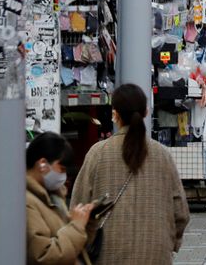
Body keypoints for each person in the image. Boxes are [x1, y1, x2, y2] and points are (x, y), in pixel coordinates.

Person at [71, 85, 190, 264]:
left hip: (108, 253)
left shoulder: (98, 153)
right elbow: (181, 212)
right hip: (155, 253)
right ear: (146, 112)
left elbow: (78, 206)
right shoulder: (162, 155)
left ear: (115, 114)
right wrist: (170, 242)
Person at [26, 133, 93, 265]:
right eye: (61, 169)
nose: (63, 175)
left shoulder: (51, 197)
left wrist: (86, 222)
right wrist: (76, 226)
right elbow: (43, 255)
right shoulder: (27, 203)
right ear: (43, 164)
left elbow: (73, 244)